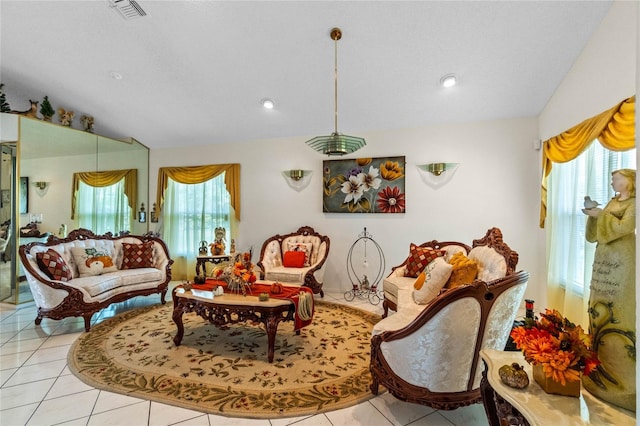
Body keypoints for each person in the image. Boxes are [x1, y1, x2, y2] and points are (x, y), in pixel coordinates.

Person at [581, 168, 636, 411]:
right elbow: (596, 235)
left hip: (622, 260)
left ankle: (624, 383)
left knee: (619, 312)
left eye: (617, 178)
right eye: (613, 178)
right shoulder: (614, 201)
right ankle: (597, 367)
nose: (613, 181)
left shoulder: (634, 203)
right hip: (604, 260)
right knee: (598, 310)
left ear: (630, 181)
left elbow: (625, 228)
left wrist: (601, 214)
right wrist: (594, 216)